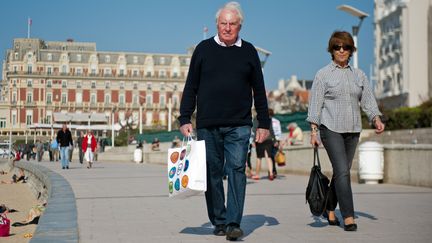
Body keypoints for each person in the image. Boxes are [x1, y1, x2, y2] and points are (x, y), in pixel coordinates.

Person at [178, 2, 270, 240]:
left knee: (237, 169)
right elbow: (191, 86)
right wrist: (185, 117)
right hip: (208, 124)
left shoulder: (249, 51)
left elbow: (259, 90)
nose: (227, 28)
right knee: (212, 173)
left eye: (232, 24)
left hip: (239, 124)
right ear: (217, 24)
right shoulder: (203, 49)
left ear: (240, 26)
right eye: (223, 23)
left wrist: (264, 123)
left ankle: (232, 223)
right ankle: (218, 220)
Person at [307, 31, 385, 232]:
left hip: (353, 129)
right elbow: (315, 105)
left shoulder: (359, 75)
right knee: (342, 171)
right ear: (331, 50)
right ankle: (348, 215)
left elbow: (367, 100)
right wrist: (313, 131)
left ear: (351, 50)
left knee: (341, 172)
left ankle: (329, 208)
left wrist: (375, 118)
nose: (341, 50)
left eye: (346, 47)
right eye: (337, 47)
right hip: (330, 128)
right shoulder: (323, 74)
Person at [252, 117, 275, 181]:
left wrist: (253, 140)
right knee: (268, 157)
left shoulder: (256, 119)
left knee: (259, 157)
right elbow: (271, 129)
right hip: (268, 138)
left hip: (259, 139)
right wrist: (274, 140)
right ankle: (271, 173)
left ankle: (257, 175)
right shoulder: (268, 118)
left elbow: (254, 129)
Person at [269, 108, 281, 178]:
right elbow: (279, 132)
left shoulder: (268, 121)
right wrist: (278, 141)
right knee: (273, 156)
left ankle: (272, 171)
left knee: (271, 157)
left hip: (270, 140)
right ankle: (273, 171)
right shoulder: (277, 121)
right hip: (277, 140)